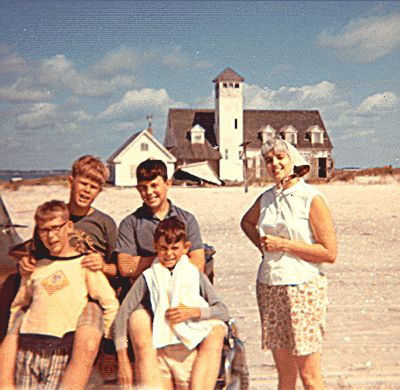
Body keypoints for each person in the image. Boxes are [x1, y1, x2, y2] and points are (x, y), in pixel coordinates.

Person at [0, 155, 118, 390]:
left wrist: (104, 266)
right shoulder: (53, 216)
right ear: (70, 182)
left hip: (90, 292)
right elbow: (35, 255)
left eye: (94, 187)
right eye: (83, 184)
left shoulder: (104, 223)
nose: (87, 191)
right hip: (54, 287)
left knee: (86, 339)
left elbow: (118, 269)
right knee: (16, 326)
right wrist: (25, 265)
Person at [240, 138, 337, 390]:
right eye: (269, 160)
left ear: (293, 159)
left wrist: (284, 245)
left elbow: (329, 252)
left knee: (310, 377)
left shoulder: (311, 197)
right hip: (269, 287)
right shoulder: (266, 198)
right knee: (285, 375)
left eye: (280, 158)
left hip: (303, 288)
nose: (274, 164)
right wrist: (264, 249)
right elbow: (246, 223)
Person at [115, 159, 206, 387]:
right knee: (143, 341)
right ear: (137, 188)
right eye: (143, 187)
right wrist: (166, 259)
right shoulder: (130, 223)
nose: (149, 192)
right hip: (143, 300)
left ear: (167, 183)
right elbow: (125, 266)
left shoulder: (187, 220)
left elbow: (197, 263)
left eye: (154, 185)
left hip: (179, 297)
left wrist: (147, 262)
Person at [115, 216, 228, 389]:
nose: (169, 254)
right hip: (161, 349)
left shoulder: (193, 274)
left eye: (175, 248)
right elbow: (124, 311)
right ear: (155, 247)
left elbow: (222, 310)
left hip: (188, 348)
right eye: (163, 248)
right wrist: (122, 357)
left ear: (185, 248)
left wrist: (195, 312)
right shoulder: (150, 276)